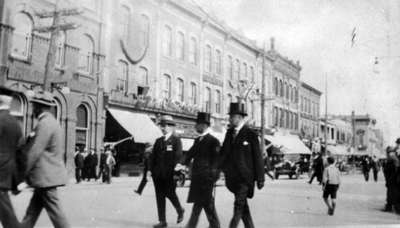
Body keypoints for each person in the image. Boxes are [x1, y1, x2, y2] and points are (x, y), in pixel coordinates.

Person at [20, 91, 70, 228]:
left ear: (39, 107)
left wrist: (22, 174)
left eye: (34, 105)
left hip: (45, 178)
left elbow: (34, 151)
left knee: (57, 216)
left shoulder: (44, 124)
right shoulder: (52, 123)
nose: (33, 109)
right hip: (46, 178)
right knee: (31, 214)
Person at [219, 103, 265, 228]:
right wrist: (218, 168)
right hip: (233, 178)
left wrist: (260, 178)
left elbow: (257, 157)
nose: (230, 119)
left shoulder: (251, 134)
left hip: (245, 178)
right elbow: (224, 153)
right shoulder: (229, 133)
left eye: (232, 117)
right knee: (243, 207)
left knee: (238, 206)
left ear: (239, 117)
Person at [175, 112, 221, 228]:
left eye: (197, 124)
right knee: (204, 204)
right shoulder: (198, 140)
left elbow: (216, 161)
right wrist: (179, 163)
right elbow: (190, 154)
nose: (195, 126)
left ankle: (193, 226)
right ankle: (214, 226)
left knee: (201, 204)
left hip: (206, 178)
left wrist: (213, 177)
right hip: (198, 178)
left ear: (204, 126)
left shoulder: (213, 141)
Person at [149, 115, 185, 228]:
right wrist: (152, 170)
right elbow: (153, 157)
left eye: (165, 126)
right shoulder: (158, 141)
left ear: (171, 127)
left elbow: (178, 157)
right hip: (158, 175)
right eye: (161, 126)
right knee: (159, 197)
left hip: (169, 174)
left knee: (171, 194)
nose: (163, 128)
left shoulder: (176, 140)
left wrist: (176, 173)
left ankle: (180, 210)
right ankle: (162, 221)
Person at [0, 86, 24, 228]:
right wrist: (18, 179)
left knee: (7, 215)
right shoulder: (15, 124)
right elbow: (20, 153)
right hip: (7, 173)